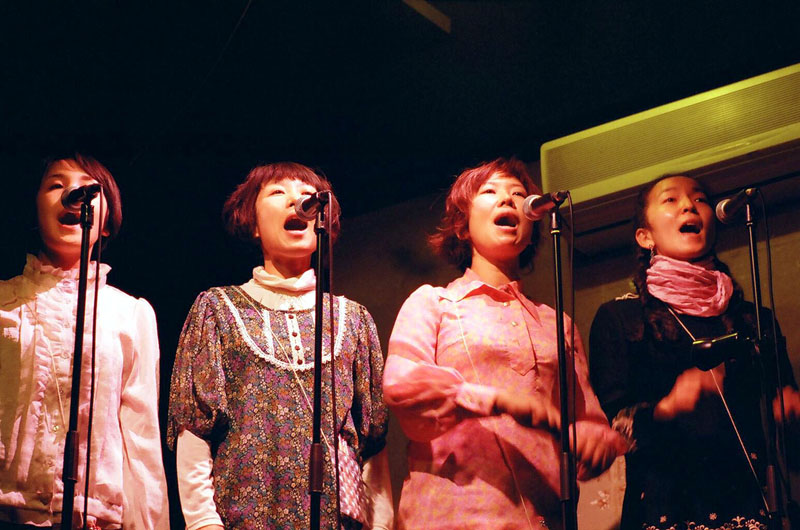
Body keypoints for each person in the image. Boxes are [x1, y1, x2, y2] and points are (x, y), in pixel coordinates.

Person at [382, 157, 626, 529]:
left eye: (518, 194)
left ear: (532, 226)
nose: (508, 200)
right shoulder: (434, 303)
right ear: (462, 226)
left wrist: (597, 443)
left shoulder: (557, 323)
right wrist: (498, 401)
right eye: (490, 192)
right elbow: (402, 385)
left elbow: (587, 421)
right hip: (454, 515)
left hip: (546, 515)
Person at [167, 162, 393, 530]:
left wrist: (380, 524)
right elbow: (195, 427)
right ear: (254, 224)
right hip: (244, 516)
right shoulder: (218, 309)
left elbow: (372, 441)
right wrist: (203, 522)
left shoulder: (353, 319)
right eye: (277, 192)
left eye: (306, 195)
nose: (296, 201)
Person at [589, 174, 800, 530]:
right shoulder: (621, 317)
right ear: (645, 237)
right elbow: (611, 431)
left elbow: (790, 441)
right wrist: (667, 408)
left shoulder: (754, 319)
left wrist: (789, 413)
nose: (689, 205)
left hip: (753, 506)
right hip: (665, 508)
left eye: (699, 199)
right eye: (671, 200)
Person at [0, 153, 169, 528]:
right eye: (56, 185)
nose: (73, 193)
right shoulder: (4, 302)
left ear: (106, 223)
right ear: (35, 210)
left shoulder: (129, 314)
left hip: (93, 519)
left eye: (88, 188)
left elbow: (141, 437)